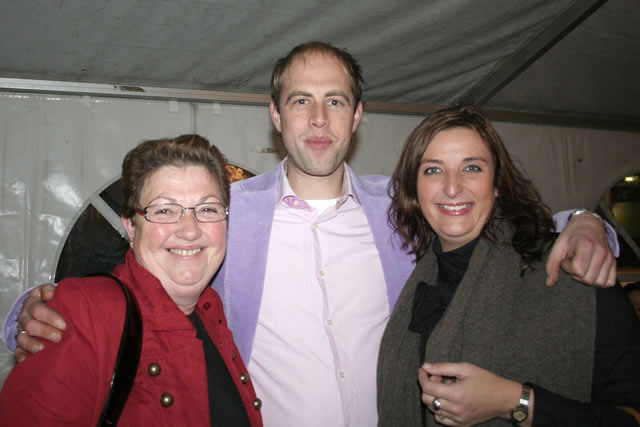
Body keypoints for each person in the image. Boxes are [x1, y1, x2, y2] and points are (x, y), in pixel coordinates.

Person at [3, 43, 618, 426]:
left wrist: (587, 226)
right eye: (301, 101)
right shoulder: (227, 213)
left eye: (335, 101)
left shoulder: (401, 207)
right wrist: (30, 311)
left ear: (357, 116)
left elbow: (487, 221)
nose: (318, 119)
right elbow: (134, 265)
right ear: (276, 116)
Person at [377, 106, 640, 426]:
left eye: (472, 168)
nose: (452, 187)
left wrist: (515, 402)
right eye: (433, 170)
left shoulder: (572, 270)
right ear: (414, 189)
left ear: (497, 183)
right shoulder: (412, 277)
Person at [0, 135, 263, 426]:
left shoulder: (213, 315)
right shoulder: (85, 314)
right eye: (164, 210)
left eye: (207, 209)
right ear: (131, 226)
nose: (190, 230)